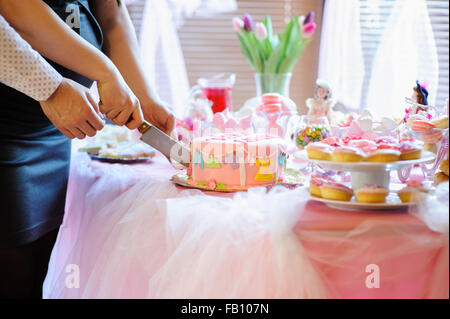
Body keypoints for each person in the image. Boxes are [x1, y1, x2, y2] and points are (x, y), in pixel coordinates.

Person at [0, 0, 174, 298]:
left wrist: (143, 95)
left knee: (40, 272)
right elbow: (15, 7)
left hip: (52, 136)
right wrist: (66, 83)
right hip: (6, 127)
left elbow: (110, 14)